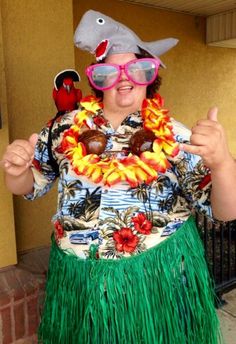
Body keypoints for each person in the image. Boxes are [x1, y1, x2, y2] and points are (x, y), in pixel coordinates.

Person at [1, 9, 236, 344]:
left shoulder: (174, 134)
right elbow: (27, 185)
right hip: (79, 281)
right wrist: (16, 169)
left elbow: (227, 210)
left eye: (138, 68)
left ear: (150, 75)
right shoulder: (64, 128)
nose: (124, 78)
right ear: (96, 78)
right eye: (109, 71)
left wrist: (223, 163)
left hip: (159, 279)